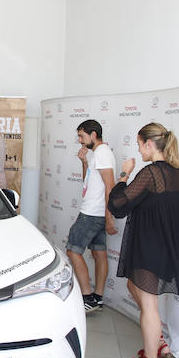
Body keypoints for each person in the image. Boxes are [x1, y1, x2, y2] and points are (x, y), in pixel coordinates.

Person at [108, 123, 179, 358]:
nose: (138, 149)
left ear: (148, 144)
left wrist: (123, 175)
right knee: (135, 287)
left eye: (139, 143)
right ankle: (160, 342)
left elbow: (119, 204)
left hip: (149, 245)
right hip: (169, 246)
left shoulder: (151, 172)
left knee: (148, 301)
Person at [66, 119, 117, 313]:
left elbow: (110, 186)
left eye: (82, 136)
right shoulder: (97, 154)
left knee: (73, 250)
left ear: (93, 135)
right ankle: (97, 297)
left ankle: (87, 297)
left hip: (92, 213)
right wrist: (84, 162)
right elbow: (88, 181)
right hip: (96, 212)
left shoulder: (103, 153)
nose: (79, 140)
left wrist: (109, 216)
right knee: (99, 253)